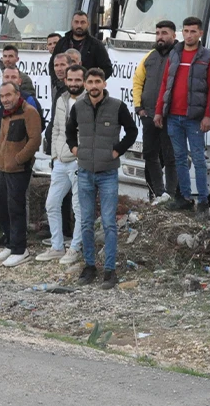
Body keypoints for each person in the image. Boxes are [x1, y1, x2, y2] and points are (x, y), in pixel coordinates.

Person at [67, 67, 138, 288]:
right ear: (85, 85)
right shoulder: (78, 107)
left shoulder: (117, 106)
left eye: (98, 81)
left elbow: (132, 131)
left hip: (108, 173)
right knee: (86, 222)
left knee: (108, 223)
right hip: (86, 171)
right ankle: (89, 267)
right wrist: (75, 149)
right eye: (90, 82)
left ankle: (109, 270)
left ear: (105, 84)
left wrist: (117, 151)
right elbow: (70, 131)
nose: (94, 85)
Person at [154, 16, 210, 218]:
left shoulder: (208, 56)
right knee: (179, 158)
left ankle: (203, 202)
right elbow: (165, 84)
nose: (189, 35)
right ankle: (184, 198)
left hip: (195, 118)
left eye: (193, 31)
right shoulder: (175, 53)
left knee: (198, 159)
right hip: (173, 116)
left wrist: (208, 115)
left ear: (200, 33)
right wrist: (159, 110)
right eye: (186, 31)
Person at [0, 81, 42, 267]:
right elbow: (0, 143)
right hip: (4, 170)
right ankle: (11, 244)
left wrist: (19, 159)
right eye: (2, 96)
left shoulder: (29, 112)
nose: (5, 99)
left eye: (8, 95)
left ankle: (21, 249)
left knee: (16, 209)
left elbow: (35, 140)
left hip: (19, 170)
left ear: (17, 94)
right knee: (4, 208)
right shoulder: (6, 115)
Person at [40, 64, 85, 264]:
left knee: (78, 207)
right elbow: (57, 129)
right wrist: (55, 155)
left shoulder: (87, 101)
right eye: (71, 80)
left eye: (78, 80)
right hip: (59, 161)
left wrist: (79, 155)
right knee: (52, 203)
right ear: (65, 80)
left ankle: (75, 247)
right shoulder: (61, 99)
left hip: (78, 161)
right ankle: (57, 246)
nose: (74, 83)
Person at [132, 20, 178, 205]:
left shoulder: (178, 55)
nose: (160, 37)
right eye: (158, 33)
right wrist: (139, 108)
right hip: (149, 115)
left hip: (171, 116)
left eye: (164, 33)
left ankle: (171, 194)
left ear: (174, 36)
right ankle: (157, 194)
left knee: (171, 157)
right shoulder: (149, 57)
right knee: (150, 155)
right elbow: (137, 81)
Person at [0, 67, 40, 149]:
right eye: (6, 77)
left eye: (13, 77)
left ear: (19, 81)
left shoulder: (28, 100)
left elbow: (36, 130)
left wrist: (23, 153)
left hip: (19, 155)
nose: (9, 80)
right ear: (2, 79)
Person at [55, 11, 113, 78]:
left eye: (83, 22)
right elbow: (52, 64)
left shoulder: (96, 45)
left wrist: (92, 82)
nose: (79, 25)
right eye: (76, 22)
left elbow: (107, 69)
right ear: (72, 23)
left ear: (88, 24)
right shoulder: (62, 42)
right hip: (63, 86)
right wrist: (58, 84)